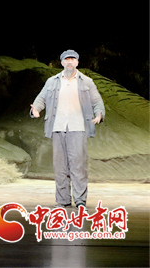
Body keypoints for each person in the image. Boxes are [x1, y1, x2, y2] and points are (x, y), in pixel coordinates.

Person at [30, 49, 105, 209]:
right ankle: (63, 200)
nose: (69, 61)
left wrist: (99, 113)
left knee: (78, 165)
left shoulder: (86, 82)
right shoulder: (52, 81)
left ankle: (80, 199)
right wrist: (36, 109)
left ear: (77, 62)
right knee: (60, 166)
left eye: (72, 59)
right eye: (66, 59)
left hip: (78, 127)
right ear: (62, 62)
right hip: (58, 127)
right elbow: (41, 98)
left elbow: (97, 101)